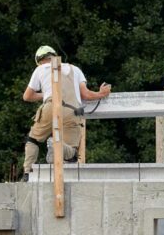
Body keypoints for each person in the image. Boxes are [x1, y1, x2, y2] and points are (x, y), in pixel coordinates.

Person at [20, 46, 110, 180]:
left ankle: (27, 174)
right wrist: (101, 93)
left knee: (33, 140)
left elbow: (27, 96)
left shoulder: (40, 69)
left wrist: (46, 94)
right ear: (54, 55)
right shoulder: (75, 69)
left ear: (40, 60)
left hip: (51, 106)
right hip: (73, 111)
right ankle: (58, 145)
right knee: (72, 154)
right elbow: (85, 94)